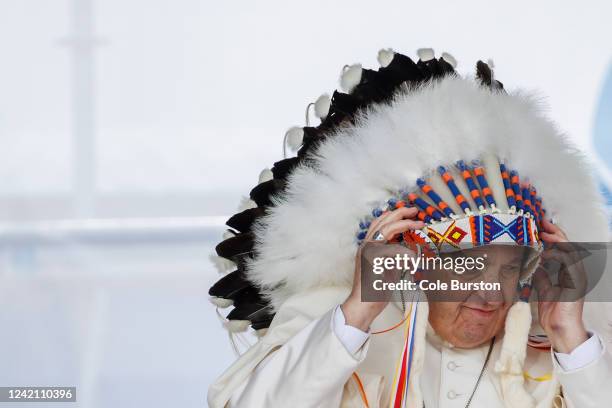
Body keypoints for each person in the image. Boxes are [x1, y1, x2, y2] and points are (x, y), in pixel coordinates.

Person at [207, 48, 612, 407]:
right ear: (416, 259)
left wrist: (570, 336)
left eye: (508, 270)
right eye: (468, 265)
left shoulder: (559, 347)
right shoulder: (331, 317)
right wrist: (358, 312)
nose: (490, 294)